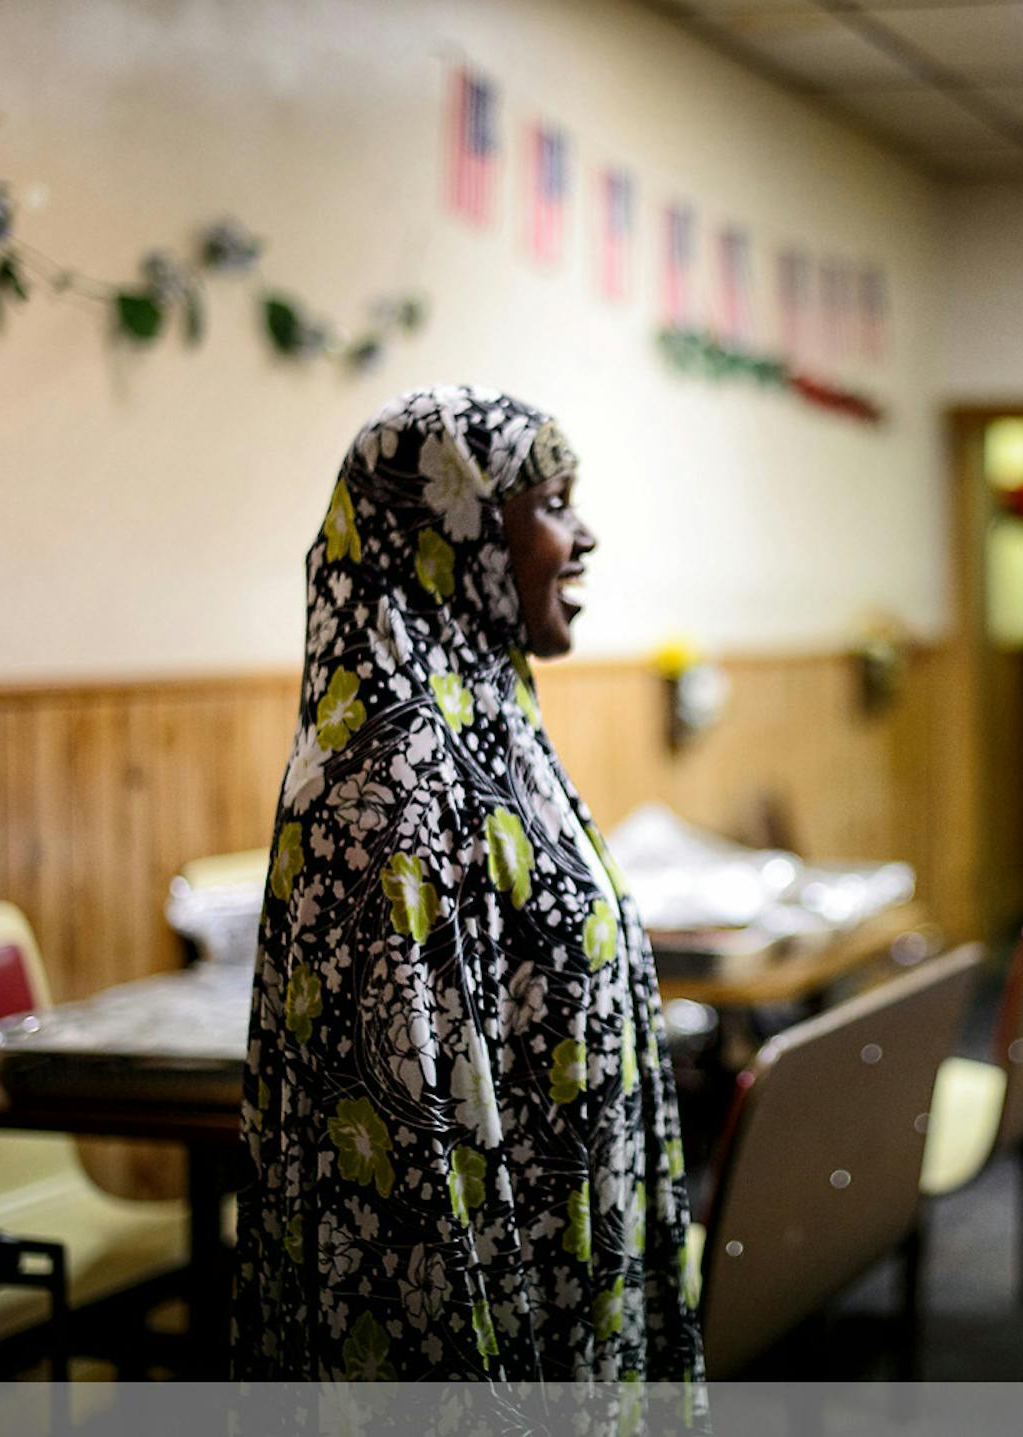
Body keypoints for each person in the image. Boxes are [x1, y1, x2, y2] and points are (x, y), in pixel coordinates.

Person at [232, 386, 706, 1407]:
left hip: (564, 1271)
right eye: (552, 503)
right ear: (447, 531)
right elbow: (403, 1173)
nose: (585, 537)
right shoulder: (385, 782)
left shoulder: (492, 723)